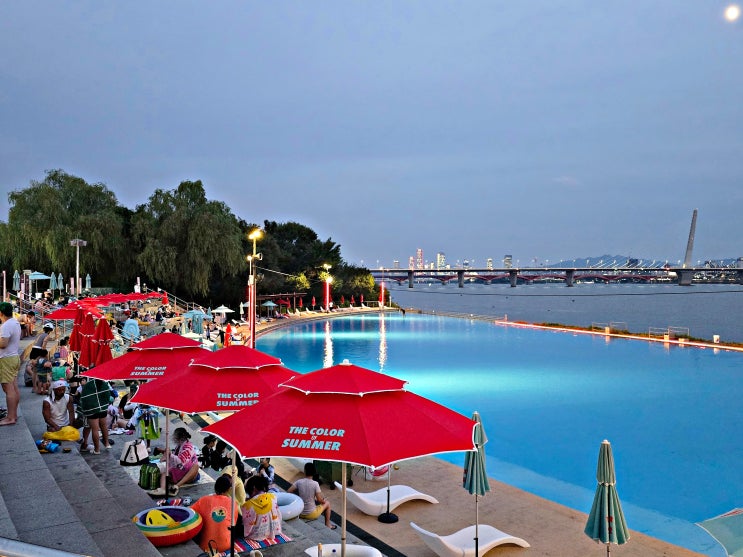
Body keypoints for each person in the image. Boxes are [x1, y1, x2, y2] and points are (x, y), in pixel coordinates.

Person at [190, 475, 238, 553]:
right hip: (226, 546)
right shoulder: (233, 503)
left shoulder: (204, 500)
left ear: (215, 488)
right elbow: (233, 523)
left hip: (206, 546)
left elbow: (190, 513)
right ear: (228, 490)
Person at [147, 427, 200, 497]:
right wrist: (167, 453)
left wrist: (170, 455)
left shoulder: (188, 447)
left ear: (179, 438)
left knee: (196, 466)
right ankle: (163, 489)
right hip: (178, 473)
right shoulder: (179, 446)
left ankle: (176, 486)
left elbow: (180, 462)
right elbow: (175, 460)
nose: (173, 438)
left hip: (189, 475)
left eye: (174, 436)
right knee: (164, 473)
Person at [288, 462, 336, 529]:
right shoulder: (315, 484)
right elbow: (319, 500)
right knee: (327, 503)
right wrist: (323, 501)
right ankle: (328, 524)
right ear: (314, 472)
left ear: (305, 471)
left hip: (300, 512)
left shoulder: (299, 482)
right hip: (312, 514)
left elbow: (289, 491)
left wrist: (297, 499)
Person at [0, 302, 22, 426]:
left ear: (1, 313)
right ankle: (13, 414)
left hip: (6, 359)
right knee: (13, 387)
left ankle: (11, 417)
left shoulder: (6, 325)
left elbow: (3, 344)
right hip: (13, 357)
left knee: (8, 389)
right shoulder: (15, 322)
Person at [78, 377, 113, 454]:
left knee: (95, 429)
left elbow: (84, 398)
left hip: (92, 410)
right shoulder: (105, 384)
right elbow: (108, 396)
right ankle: (107, 444)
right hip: (103, 409)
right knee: (104, 426)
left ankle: (97, 450)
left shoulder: (88, 385)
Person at [243, 475, 282, 542]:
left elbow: (247, 523)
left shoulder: (248, 505)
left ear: (254, 488)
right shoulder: (273, 497)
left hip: (256, 535)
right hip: (275, 530)